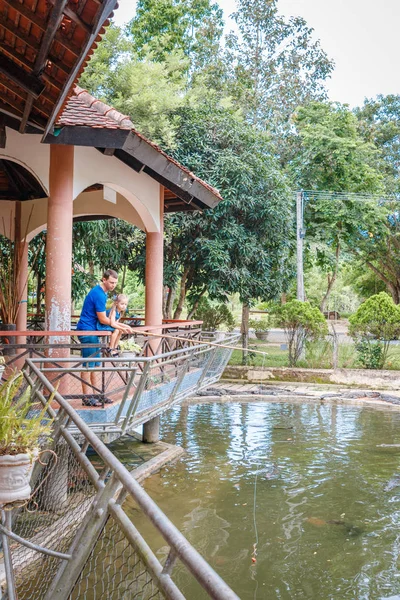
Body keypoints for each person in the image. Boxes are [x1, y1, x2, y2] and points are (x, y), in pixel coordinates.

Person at [76, 269, 119, 406]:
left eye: (115, 283)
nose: (113, 285)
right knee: (88, 366)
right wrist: (120, 326)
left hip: (93, 331)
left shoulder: (103, 294)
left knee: (96, 365)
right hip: (87, 332)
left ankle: (97, 395)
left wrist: (118, 325)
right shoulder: (99, 294)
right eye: (111, 282)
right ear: (104, 280)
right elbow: (102, 319)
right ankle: (86, 398)